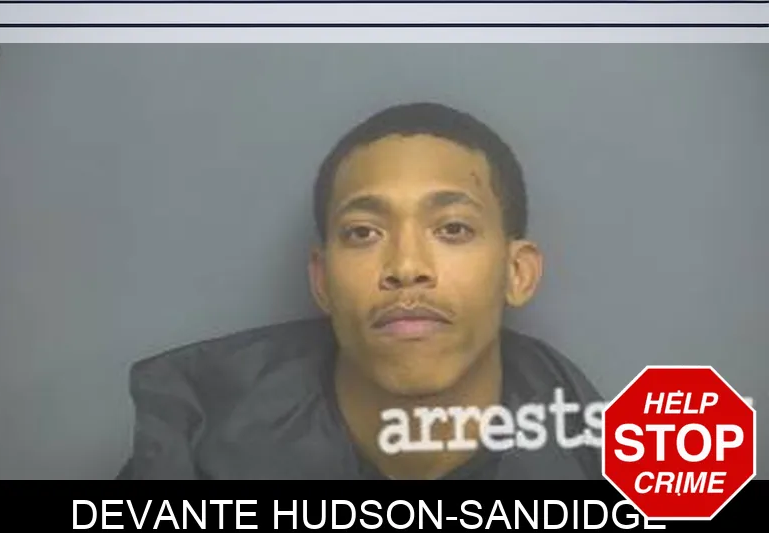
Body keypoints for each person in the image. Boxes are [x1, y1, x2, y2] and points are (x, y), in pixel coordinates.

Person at [116, 102, 604, 480]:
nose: (406, 267)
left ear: (517, 273)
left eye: (453, 229)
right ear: (322, 280)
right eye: (364, 232)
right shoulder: (195, 458)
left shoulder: (606, 468)